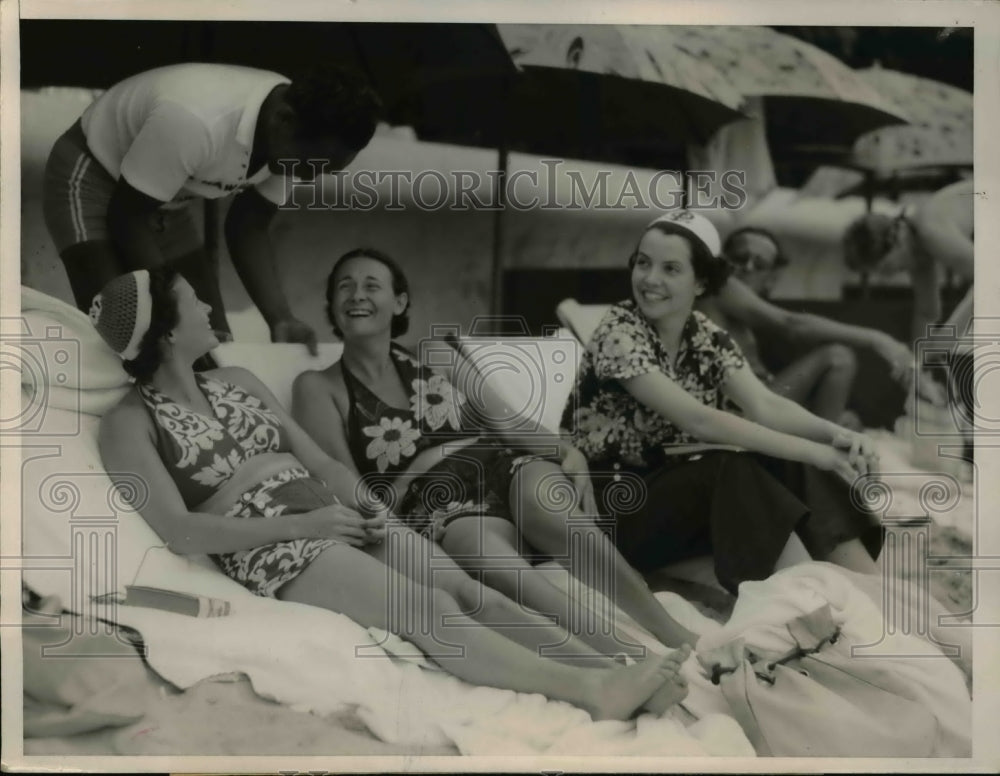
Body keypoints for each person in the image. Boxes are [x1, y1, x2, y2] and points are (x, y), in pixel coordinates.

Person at [92, 267, 689, 721]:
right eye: (193, 298)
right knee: (428, 610)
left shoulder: (236, 382)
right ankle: (594, 694)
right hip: (277, 543)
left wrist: (370, 510)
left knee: (468, 589)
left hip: (336, 514)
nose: (205, 303)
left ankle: (620, 669)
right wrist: (305, 527)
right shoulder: (128, 423)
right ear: (168, 330)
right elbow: (180, 530)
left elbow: (320, 459)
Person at [291, 248, 702, 660]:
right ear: (331, 304)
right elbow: (353, 494)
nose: (356, 295)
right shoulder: (318, 386)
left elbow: (507, 422)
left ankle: (671, 631)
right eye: (344, 286)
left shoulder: (433, 352)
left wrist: (567, 450)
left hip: (502, 465)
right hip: (434, 503)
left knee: (553, 507)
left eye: (371, 285)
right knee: (500, 566)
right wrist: (425, 463)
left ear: (399, 302)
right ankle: (628, 653)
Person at [562, 210, 887, 592]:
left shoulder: (703, 335)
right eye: (643, 264)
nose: (651, 280)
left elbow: (767, 406)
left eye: (670, 269)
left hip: (673, 500)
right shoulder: (620, 332)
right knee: (728, 468)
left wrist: (837, 438)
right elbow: (699, 421)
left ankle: (871, 586)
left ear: (701, 282)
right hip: (615, 506)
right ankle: (808, 595)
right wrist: (814, 451)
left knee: (787, 462)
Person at [45, 62, 383, 353]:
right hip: (95, 175)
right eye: (311, 165)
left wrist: (281, 318)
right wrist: (172, 304)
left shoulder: (304, 138)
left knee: (212, 344)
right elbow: (127, 216)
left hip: (165, 200)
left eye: (326, 170)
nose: (310, 178)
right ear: (283, 120)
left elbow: (248, 226)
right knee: (123, 331)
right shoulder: (196, 119)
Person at [697, 226, 920, 425]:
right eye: (739, 257)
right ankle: (819, 463)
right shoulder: (719, 286)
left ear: (771, 279)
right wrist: (877, 339)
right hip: (742, 410)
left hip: (760, 399)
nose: (747, 267)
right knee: (838, 359)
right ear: (724, 261)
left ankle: (819, 453)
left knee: (849, 421)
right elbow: (793, 325)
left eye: (759, 264)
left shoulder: (741, 312)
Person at [842, 179, 974, 347]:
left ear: (896, 239)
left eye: (886, 268)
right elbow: (927, 314)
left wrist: (943, 343)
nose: (889, 276)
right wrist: (915, 367)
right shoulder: (918, 249)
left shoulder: (930, 230)